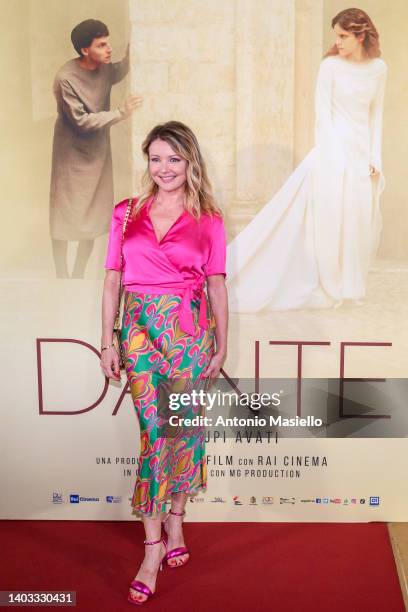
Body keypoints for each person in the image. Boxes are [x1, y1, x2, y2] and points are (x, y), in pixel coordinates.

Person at [100, 121, 228, 604]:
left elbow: (217, 283)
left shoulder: (209, 217)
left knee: (181, 431)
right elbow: (113, 278)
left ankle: (176, 520)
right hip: (138, 332)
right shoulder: (125, 212)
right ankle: (152, 546)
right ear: (147, 161)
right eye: (156, 158)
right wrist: (107, 340)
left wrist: (222, 345)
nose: (164, 168)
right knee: (154, 432)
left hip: (191, 334)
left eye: (174, 159)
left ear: (190, 162)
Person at [226, 8, 387, 311]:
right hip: (332, 155)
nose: (337, 41)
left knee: (356, 221)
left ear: (360, 35)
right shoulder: (330, 67)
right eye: (335, 35)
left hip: (361, 157)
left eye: (343, 36)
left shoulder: (379, 69)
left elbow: (375, 115)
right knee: (329, 223)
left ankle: (351, 287)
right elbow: (322, 116)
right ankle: (331, 284)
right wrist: (334, 156)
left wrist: (375, 156)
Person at [49, 19, 143, 278]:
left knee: (89, 214)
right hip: (71, 154)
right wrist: (121, 112)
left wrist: (139, 43)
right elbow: (80, 121)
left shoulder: (104, 69)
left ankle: (78, 274)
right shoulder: (65, 78)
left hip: (97, 152)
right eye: (101, 45)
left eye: (108, 42)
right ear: (84, 51)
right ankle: (61, 274)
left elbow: (121, 69)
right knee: (64, 215)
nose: (108, 49)